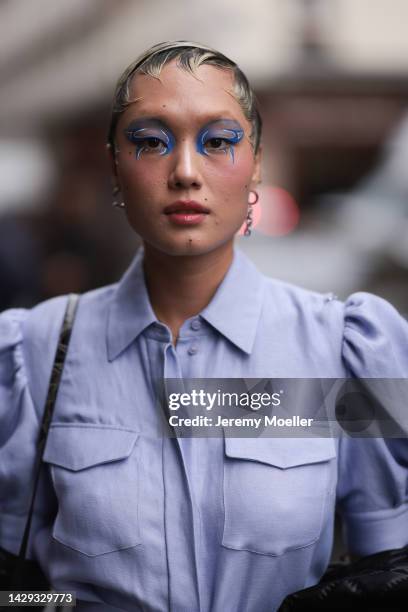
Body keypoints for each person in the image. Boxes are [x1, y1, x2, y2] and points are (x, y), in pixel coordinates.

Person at [0, 41, 407, 612]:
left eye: (218, 141)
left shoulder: (346, 348)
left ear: (257, 161)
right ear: (115, 164)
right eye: (149, 142)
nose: (185, 172)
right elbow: (12, 589)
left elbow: (385, 569)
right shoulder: (32, 353)